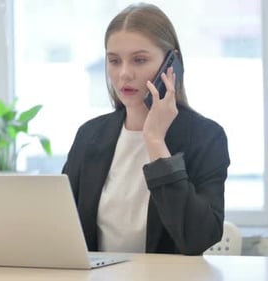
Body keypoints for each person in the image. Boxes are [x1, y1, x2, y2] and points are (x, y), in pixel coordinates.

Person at [62, 2, 230, 255]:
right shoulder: (90, 135)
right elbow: (63, 226)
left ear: (170, 64)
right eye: (114, 61)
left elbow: (197, 238)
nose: (124, 74)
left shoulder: (205, 137)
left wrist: (154, 141)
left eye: (139, 60)